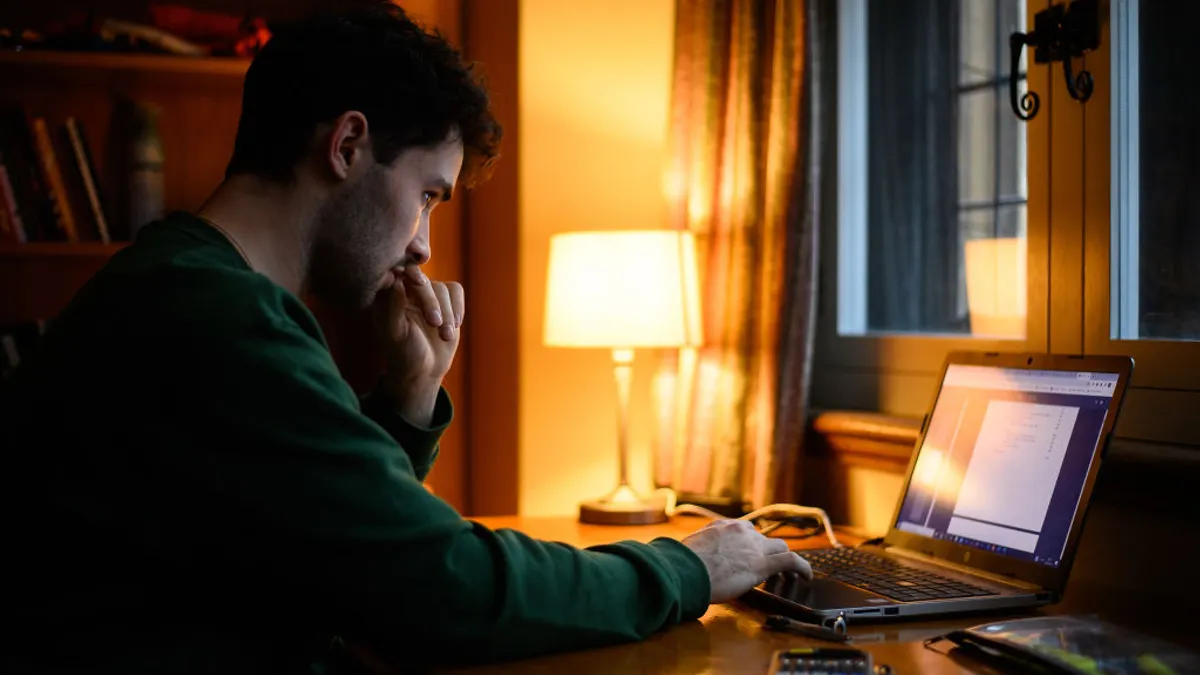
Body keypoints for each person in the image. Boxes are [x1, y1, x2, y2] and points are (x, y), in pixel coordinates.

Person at [1, 3, 811, 672]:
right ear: (348, 145)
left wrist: (404, 399)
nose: (423, 241)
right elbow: (438, 587)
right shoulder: (217, 315)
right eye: (427, 193)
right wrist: (689, 566)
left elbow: (322, 534)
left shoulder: (187, 280)